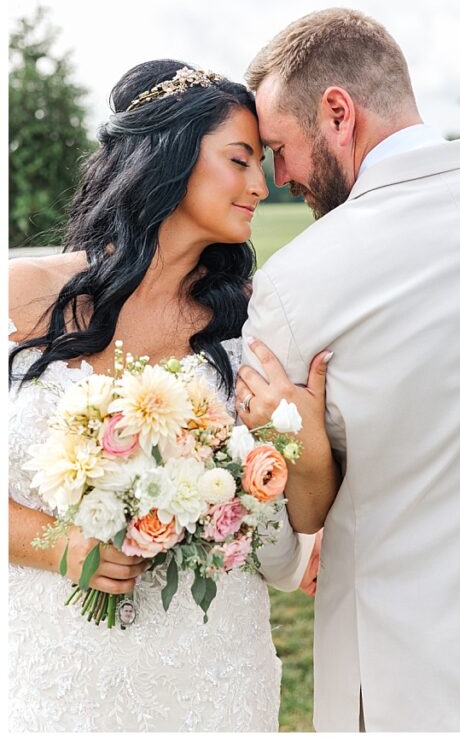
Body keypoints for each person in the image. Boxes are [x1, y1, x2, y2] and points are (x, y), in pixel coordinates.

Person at [8, 59, 322, 732]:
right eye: (239, 160)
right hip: (56, 683)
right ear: (170, 156)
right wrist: (64, 543)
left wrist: (302, 440)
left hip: (212, 677)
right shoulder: (25, 296)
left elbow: (287, 508)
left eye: (263, 164)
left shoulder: (251, 321)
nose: (260, 187)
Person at [237, 8, 460, 731]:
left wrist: (296, 454)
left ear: (336, 113)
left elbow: (272, 542)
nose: (280, 177)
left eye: (280, 149)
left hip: (398, 678)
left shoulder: (297, 283)